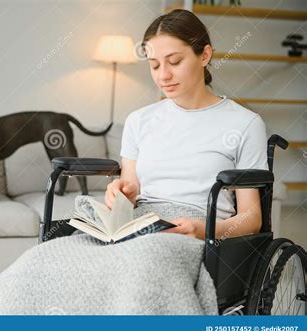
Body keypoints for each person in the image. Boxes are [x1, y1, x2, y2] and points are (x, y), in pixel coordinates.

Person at [105, 9, 268, 241]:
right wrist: (121, 194)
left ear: (205, 55)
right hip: (141, 226)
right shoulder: (138, 120)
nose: (163, 75)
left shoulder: (245, 124)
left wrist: (205, 230)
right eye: (154, 65)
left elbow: (251, 218)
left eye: (175, 61)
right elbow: (131, 189)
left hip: (197, 234)